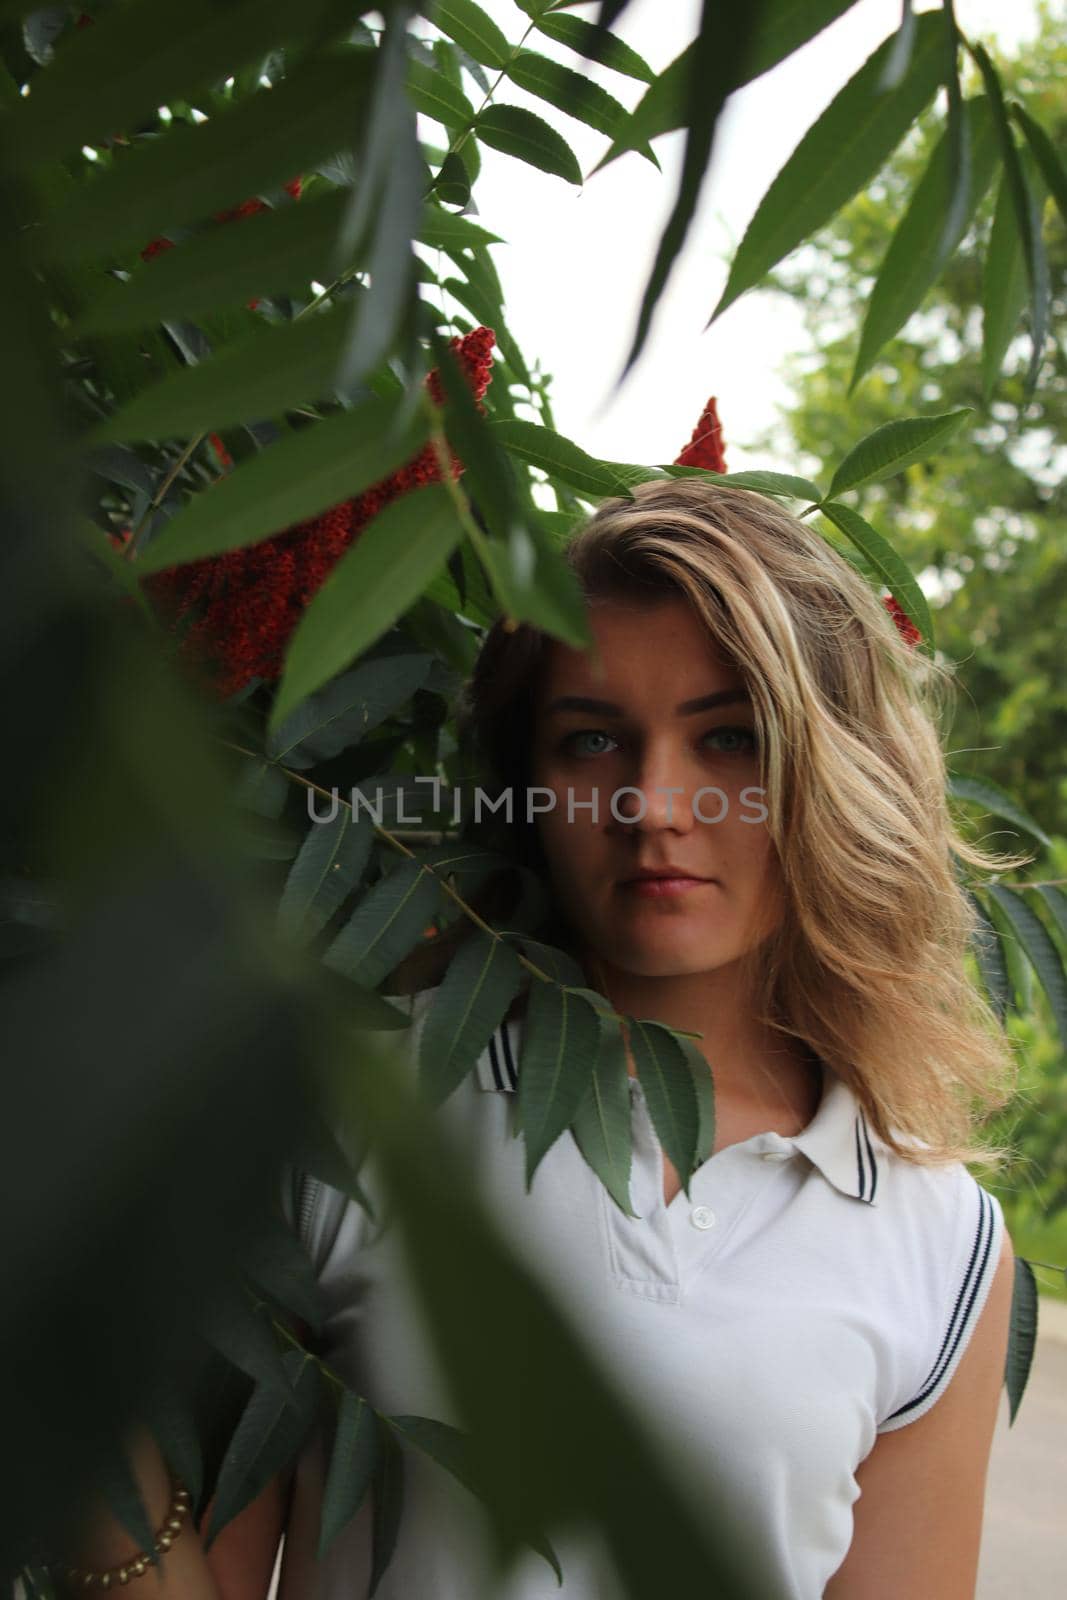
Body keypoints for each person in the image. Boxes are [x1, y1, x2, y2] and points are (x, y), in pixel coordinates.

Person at [50, 478, 1022, 1598]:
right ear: (527, 783)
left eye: (726, 738)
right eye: (593, 739)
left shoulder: (939, 1243)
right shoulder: (345, 1103)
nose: (655, 803)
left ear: (832, 770)